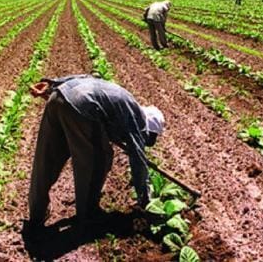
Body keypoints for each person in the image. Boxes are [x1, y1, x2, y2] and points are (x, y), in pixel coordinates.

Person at [27, 74, 165, 230]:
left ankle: (36, 214)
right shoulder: (136, 117)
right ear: (149, 128)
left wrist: (53, 84)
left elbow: (87, 77)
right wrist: (146, 201)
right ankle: (88, 214)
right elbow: (138, 159)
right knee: (98, 160)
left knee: (47, 158)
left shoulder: (124, 100)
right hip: (81, 106)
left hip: (58, 96)